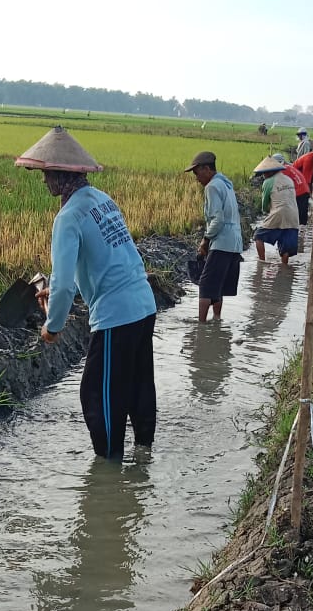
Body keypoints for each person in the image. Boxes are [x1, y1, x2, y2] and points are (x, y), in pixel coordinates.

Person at [15, 126, 157, 461]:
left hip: (116, 315)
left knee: (98, 394)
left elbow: (63, 286)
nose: (44, 180)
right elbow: (97, 262)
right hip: (144, 304)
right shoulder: (102, 200)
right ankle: (143, 455)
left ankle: (109, 470)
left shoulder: (68, 217)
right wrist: (58, 289)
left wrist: (53, 326)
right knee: (138, 383)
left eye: (47, 174)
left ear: (61, 175)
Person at [184, 151, 243, 323]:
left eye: (197, 173)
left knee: (206, 284)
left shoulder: (212, 187)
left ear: (206, 169)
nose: (196, 178)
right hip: (235, 242)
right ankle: (217, 319)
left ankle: (200, 326)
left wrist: (205, 240)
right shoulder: (226, 183)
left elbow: (217, 220)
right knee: (219, 285)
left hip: (222, 241)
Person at [252, 156, 299, 265]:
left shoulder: (268, 182)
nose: (264, 176)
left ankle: (262, 263)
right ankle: (284, 268)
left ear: (270, 172)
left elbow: (264, 206)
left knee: (258, 236)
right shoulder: (289, 180)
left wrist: (268, 211)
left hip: (278, 213)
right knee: (285, 247)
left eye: (264, 173)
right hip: (294, 215)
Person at [271, 152, 311, 225]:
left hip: (300, 192)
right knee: (302, 214)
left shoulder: (283, 170)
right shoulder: (289, 167)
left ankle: (300, 231)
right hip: (305, 190)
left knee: (298, 215)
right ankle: (302, 229)